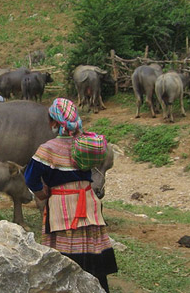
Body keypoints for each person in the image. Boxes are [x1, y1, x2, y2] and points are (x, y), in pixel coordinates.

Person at [24, 98, 117, 292]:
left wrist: (41, 193)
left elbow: (30, 177)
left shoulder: (48, 149)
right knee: (91, 244)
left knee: (66, 250)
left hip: (62, 204)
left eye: (50, 120)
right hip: (88, 200)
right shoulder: (86, 144)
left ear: (54, 122)